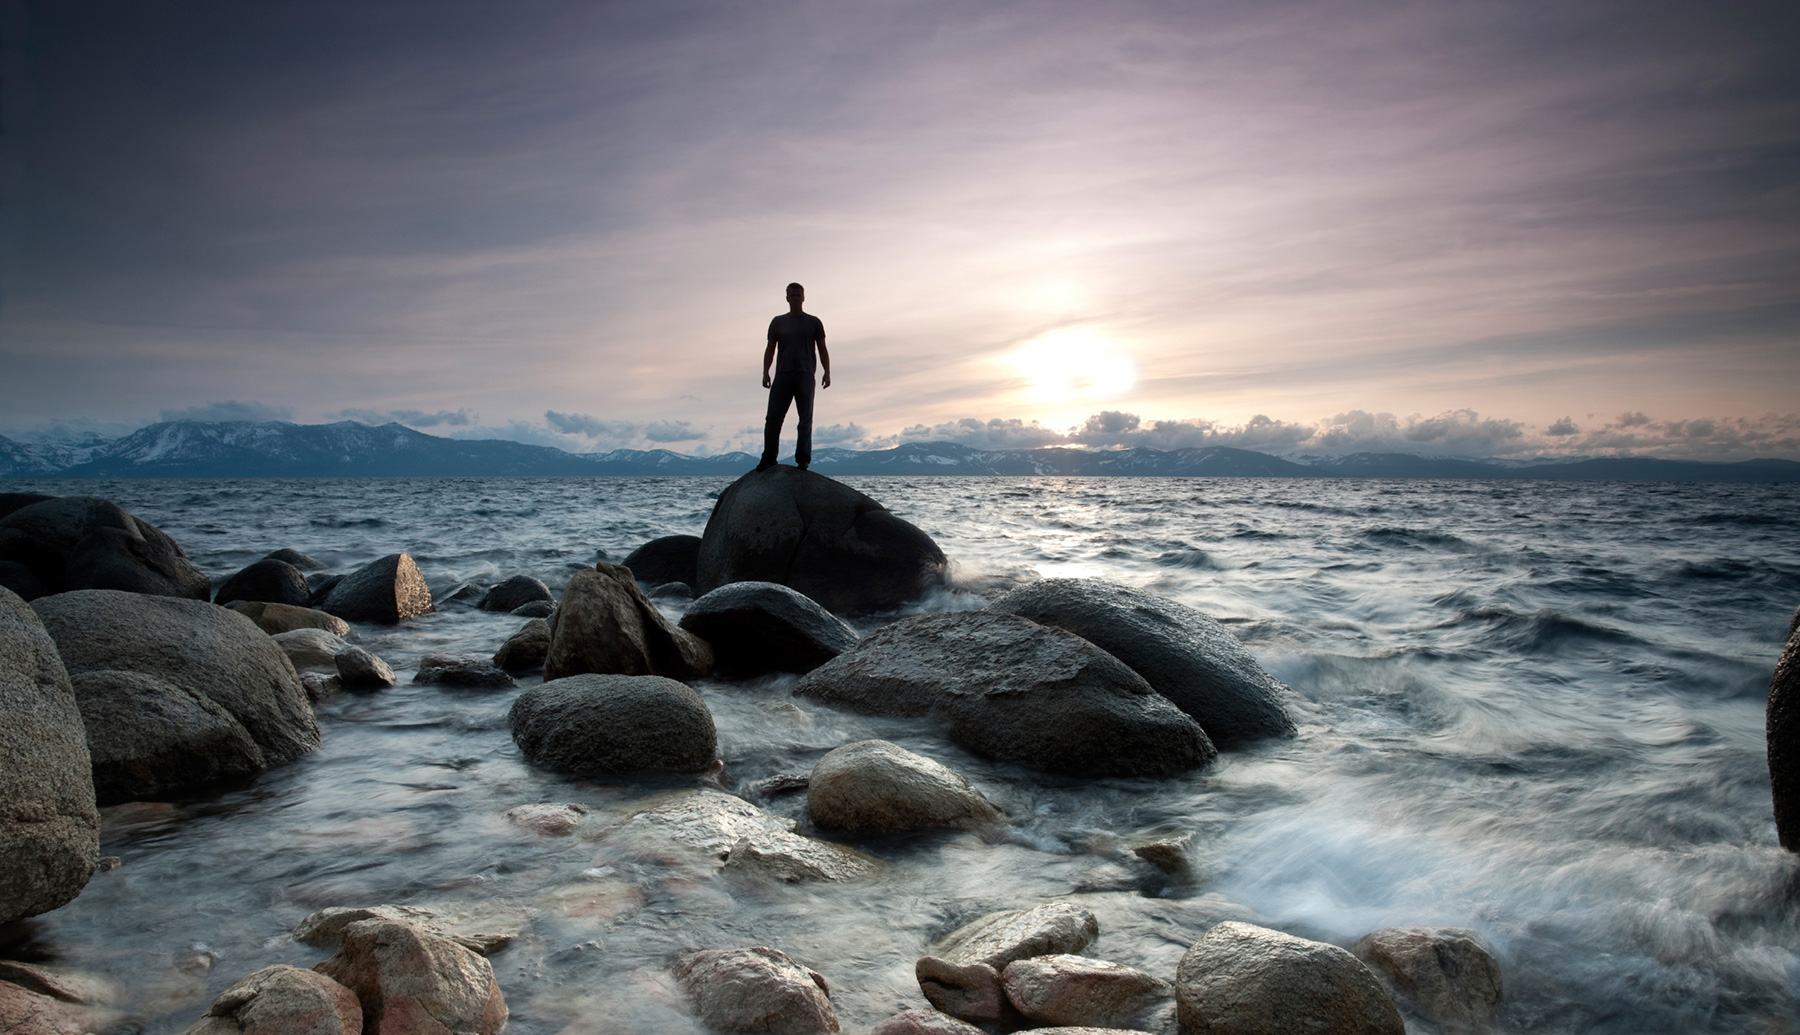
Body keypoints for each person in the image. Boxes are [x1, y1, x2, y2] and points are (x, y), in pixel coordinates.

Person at [758, 282, 831, 471]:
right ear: (787, 298)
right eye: (792, 295)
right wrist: (766, 372)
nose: (795, 298)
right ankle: (769, 458)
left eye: (798, 295)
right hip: (782, 375)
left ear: (803, 297)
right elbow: (770, 349)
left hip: (805, 376)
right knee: (773, 418)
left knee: (805, 419)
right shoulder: (778, 322)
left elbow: (822, 349)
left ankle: (803, 460)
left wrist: (827, 371)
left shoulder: (814, 322)